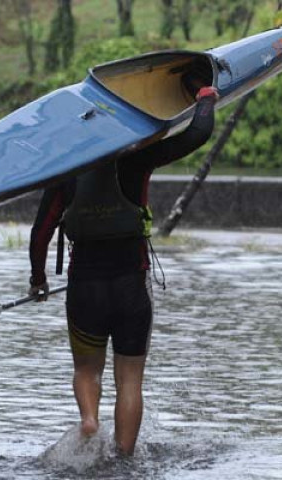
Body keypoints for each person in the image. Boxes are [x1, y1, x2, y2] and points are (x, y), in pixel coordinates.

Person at [28, 86, 218, 456]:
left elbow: (40, 235)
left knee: (87, 370)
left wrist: (38, 278)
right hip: (131, 287)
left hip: (85, 290)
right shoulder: (136, 160)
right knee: (130, 382)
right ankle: (125, 457)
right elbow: (197, 134)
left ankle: (88, 420)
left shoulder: (65, 174)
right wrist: (206, 97)